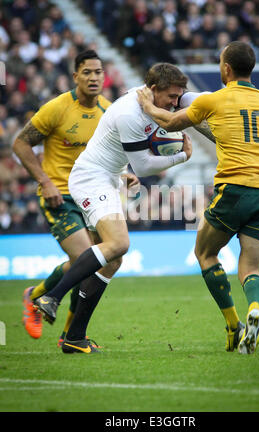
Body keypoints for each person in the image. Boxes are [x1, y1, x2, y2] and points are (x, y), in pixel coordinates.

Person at [32, 62, 193, 354]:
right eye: (171, 96)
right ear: (153, 90)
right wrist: (181, 156)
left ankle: (74, 337)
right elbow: (143, 165)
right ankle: (51, 297)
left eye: (178, 97)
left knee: (111, 260)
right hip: (91, 179)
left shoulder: (151, 104)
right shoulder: (129, 112)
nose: (174, 103)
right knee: (119, 243)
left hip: (109, 178)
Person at [137, 41, 259, 355]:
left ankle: (233, 326)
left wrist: (148, 106)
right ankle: (254, 307)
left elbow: (171, 122)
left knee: (205, 253)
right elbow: (227, 134)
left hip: (236, 189)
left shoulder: (215, 99)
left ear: (226, 68)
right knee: (252, 268)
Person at [13, 50, 139, 348]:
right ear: (75, 76)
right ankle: (36, 297)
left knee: (104, 260)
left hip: (93, 195)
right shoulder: (57, 108)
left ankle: (69, 336)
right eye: (87, 72)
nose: (94, 78)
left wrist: (125, 174)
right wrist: (44, 181)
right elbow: (20, 143)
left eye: (98, 72)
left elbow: (109, 157)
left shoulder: (109, 113)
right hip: (60, 195)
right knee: (85, 257)